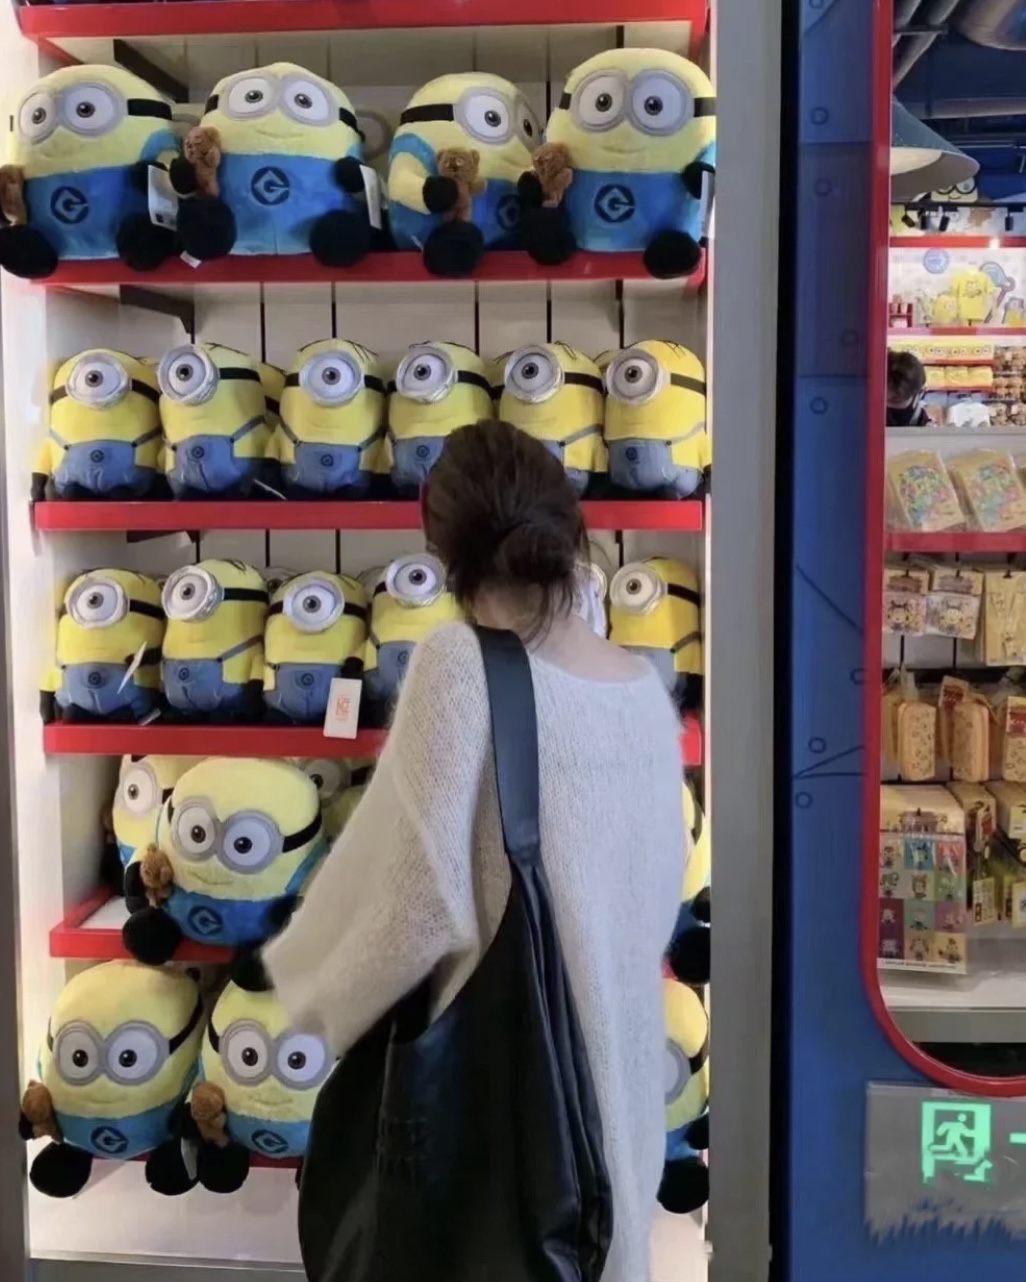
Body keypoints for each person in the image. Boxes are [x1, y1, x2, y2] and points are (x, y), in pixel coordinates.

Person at [265, 419, 687, 1282]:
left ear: (443, 549)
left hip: (507, 1120)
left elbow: (410, 910)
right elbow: (659, 889)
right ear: (568, 529)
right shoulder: (642, 689)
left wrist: (308, 993)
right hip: (616, 1104)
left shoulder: (461, 667)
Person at [887, 349, 931, 426]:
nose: (886, 405)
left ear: (918, 395)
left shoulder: (927, 430)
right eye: (879, 399)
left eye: (895, 401)